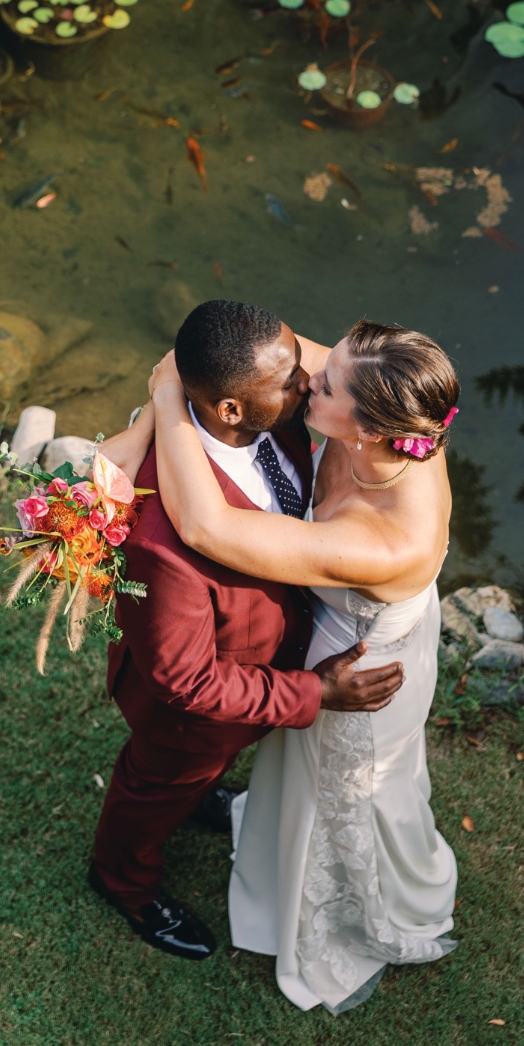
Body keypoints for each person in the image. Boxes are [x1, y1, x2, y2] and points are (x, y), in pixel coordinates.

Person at [145, 316, 459, 1014]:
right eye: (328, 361)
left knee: (354, 797)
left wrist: (167, 399)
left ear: (365, 430)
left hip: (360, 673)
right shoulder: (380, 393)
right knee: (299, 783)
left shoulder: (389, 540)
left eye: (325, 385)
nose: (309, 378)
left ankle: (361, 914)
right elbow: (235, 352)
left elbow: (205, 527)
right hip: (332, 631)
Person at [88, 301, 404, 962]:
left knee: (201, 777)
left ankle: (202, 796)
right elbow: (185, 680)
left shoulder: (277, 422)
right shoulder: (160, 538)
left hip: (258, 666)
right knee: (154, 788)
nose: (308, 383)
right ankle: (122, 882)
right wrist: (314, 693)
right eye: (288, 379)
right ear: (229, 408)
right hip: (191, 720)